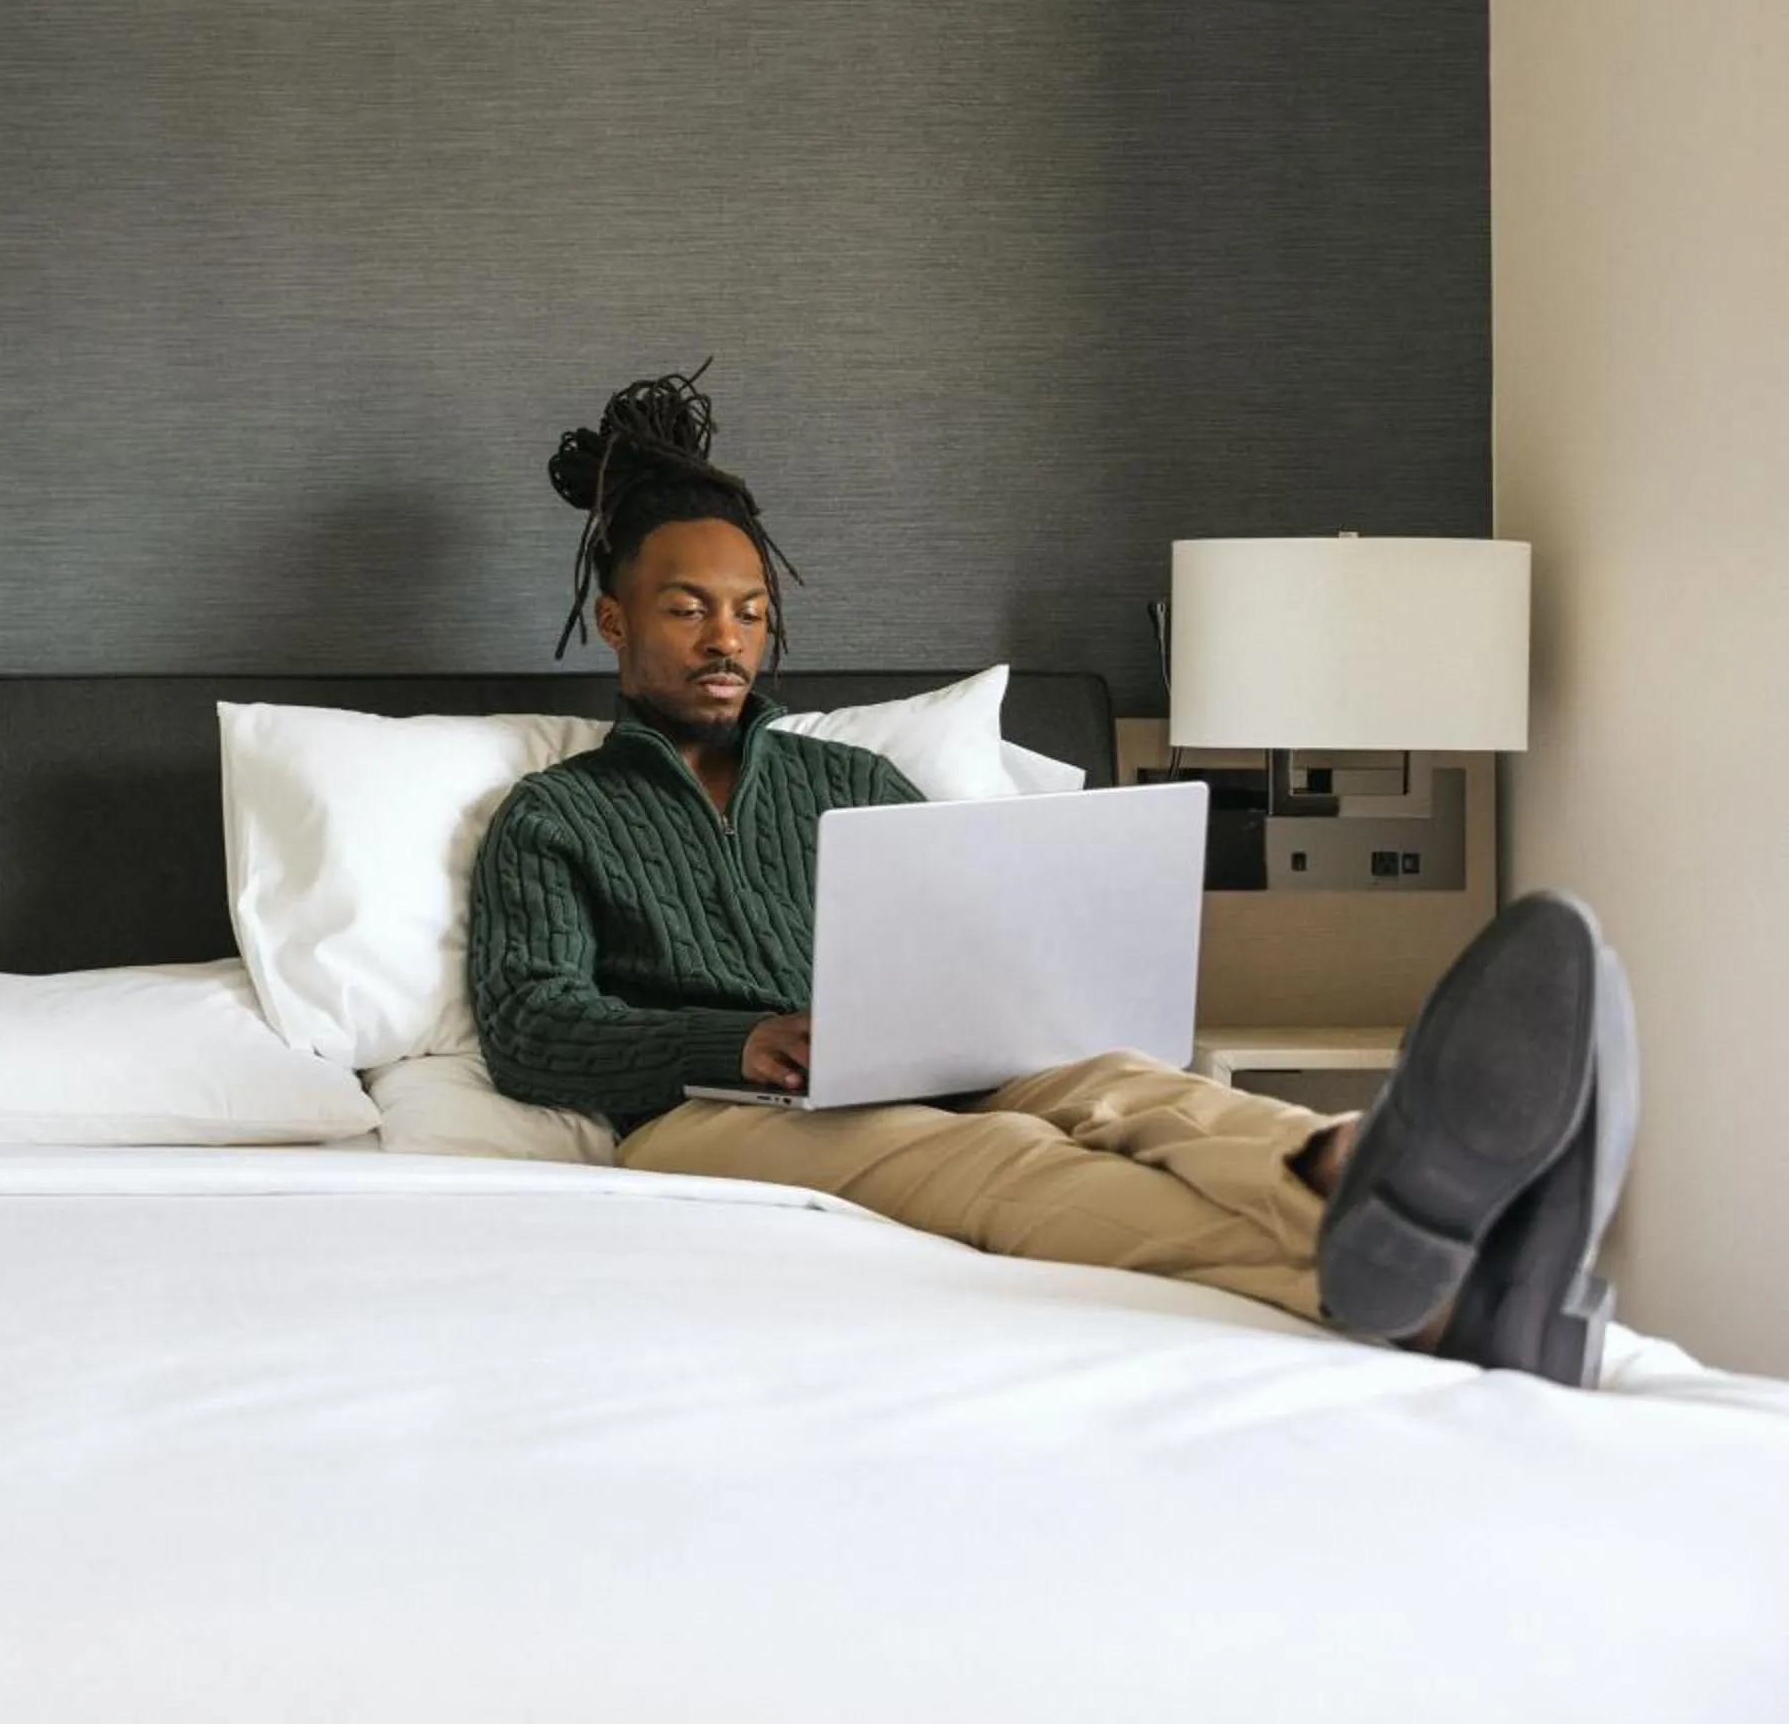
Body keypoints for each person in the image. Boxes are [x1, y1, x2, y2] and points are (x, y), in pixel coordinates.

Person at [467, 365, 1638, 1385]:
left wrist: (1008, 1006)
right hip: (705, 1114)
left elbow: (967, 934)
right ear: (614, 621)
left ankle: (1346, 1162)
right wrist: (735, 1042)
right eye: (688, 609)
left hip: (925, 1062)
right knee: (1001, 1162)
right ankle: (1418, 1281)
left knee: (1128, 1087)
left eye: (751, 611)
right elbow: (531, 1025)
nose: (727, 638)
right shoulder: (558, 813)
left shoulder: (853, 779)